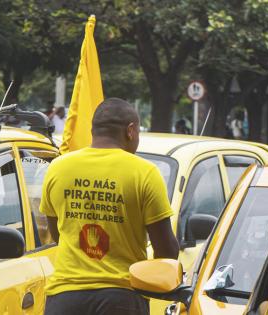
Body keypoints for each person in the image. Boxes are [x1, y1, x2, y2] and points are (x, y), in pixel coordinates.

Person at [41, 98, 179, 315]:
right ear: (131, 131)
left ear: (93, 130)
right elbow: (165, 250)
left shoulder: (58, 168)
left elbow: (58, 232)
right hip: (123, 297)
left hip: (64, 297)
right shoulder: (145, 173)